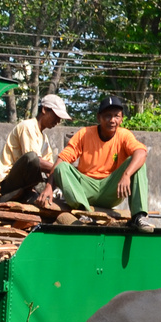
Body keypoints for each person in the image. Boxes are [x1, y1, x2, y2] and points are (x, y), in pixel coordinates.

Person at [51, 94, 154, 231]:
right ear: (99, 117)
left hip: (111, 189)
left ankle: (138, 217)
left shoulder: (124, 135)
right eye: (107, 116)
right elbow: (63, 159)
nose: (112, 120)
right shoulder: (84, 134)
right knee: (62, 167)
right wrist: (48, 186)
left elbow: (142, 152)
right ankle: (84, 214)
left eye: (116, 116)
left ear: (122, 119)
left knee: (138, 161)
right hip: (85, 189)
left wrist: (126, 175)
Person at [0, 94, 69, 207]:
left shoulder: (45, 139)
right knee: (32, 158)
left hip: (26, 184)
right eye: (56, 116)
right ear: (44, 110)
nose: (58, 121)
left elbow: (50, 170)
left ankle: (32, 194)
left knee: (54, 174)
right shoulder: (27, 126)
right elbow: (36, 162)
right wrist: (63, 169)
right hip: (8, 183)